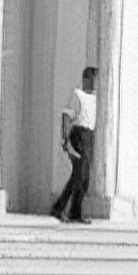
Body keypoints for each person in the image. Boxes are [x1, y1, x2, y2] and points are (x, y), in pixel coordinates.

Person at [51, 65, 98, 224]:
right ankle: (60, 208)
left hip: (89, 136)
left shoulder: (96, 98)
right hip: (78, 134)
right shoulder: (78, 94)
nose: (93, 83)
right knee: (79, 174)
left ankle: (73, 212)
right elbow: (67, 115)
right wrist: (65, 138)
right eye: (91, 80)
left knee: (83, 178)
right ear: (85, 79)